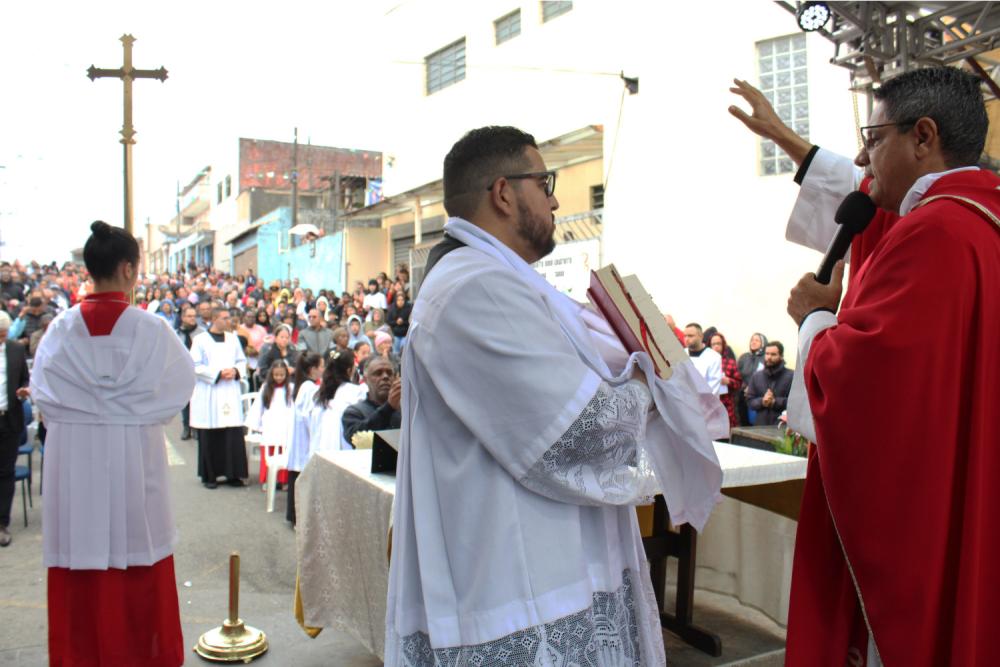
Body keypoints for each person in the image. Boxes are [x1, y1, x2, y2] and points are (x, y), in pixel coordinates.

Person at [383, 126, 725, 665]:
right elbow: (578, 433)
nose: (556, 201)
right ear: (503, 193)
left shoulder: (496, 279)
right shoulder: (476, 288)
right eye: (545, 184)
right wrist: (647, 375)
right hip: (520, 581)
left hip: (547, 561)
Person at [779, 67, 1000, 667]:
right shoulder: (982, 222)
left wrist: (813, 318)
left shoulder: (935, 232)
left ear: (922, 136)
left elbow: (867, 390)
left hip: (923, 518)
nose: (862, 156)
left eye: (873, 139)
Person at [31, 221, 195, 665]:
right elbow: (179, 389)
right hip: (133, 467)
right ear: (127, 269)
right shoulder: (152, 330)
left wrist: (89, 410)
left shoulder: (60, 332)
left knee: (81, 567)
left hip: (77, 472)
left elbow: (44, 397)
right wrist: (131, 411)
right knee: (140, 561)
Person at [189, 307, 249, 489]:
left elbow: (241, 360)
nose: (228, 321)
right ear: (214, 318)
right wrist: (217, 374)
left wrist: (236, 371)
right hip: (211, 391)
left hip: (229, 390)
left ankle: (233, 474)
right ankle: (210, 475)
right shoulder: (200, 340)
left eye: (229, 317)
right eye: (224, 318)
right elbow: (194, 365)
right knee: (211, 433)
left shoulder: (233, 339)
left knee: (232, 433)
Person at [0, 311, 30, 548]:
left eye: (3, 335)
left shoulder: (16, 350)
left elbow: (24, 380)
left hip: (8, 419)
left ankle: (2, 523)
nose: (1, 339)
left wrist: (23, 391)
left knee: (5, 472)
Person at [285, 353, 325, 526]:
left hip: (299, 438)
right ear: (312, 369)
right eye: (321, 366)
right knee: (302, 476)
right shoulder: (310, 388)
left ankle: (294, 516)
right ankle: (299, 518)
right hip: (305, 439)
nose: (323, 369)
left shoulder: (303, 386)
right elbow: (310, 416)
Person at [303, 350, 367, 457]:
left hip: (322, 448)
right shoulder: (355, 392)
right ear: (349, 370)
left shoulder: (319, 394)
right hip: (345, 450)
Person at [244, 360, 294, 489]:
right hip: (270, 424)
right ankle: (267, 479)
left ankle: (283, 480)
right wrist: (255, 424)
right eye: (276, 375)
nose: (279, 378)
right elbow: (258, 407)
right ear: (271, 374)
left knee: (284, 451)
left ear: (286, 374)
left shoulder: (290, 388)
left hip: (285, 425)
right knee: (268, 452)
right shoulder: (266, 388)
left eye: (281, 375)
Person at [341, 356, 401, 446]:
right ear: (365, 379)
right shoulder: (353, 412)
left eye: (389, 373)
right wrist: (388, 408)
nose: (385, 377)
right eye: (378, 373)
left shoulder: (405, 411)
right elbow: (356, 438)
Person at [744, 341, 792, 426]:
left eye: (773, 354)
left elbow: (795, 402)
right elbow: (750, 401)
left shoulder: (791, 376)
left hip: (782, 426)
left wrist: (775, 402)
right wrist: (762, 401)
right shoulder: (756, 376)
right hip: (760, 426)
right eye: (767, 354)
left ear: (781, 356)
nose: (769, 357)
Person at [176, 305, 204, 440]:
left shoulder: (202, 334)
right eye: (189, 316)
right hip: (183, 371)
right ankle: (186, 426)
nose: (192, 319)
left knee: (197, 400)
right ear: (183, 317)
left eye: (194, 316)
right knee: (185, 400)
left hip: (199, 372)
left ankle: (197, 427)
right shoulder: (177, 334)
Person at [710, 333, 741, 428]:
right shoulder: (705, 361)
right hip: (709, 403)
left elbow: (739, 383)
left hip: (726, 404)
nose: (716, 346)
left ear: (723, 345)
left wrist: (729, 381)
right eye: (713, 344)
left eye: (718, 344)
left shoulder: (730, 362)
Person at [684, 322, 723, 396]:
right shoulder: (681, 355)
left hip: (705, 401)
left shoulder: (714, 357)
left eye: (690, 336)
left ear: (701, 336)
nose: (686, 339)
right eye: (685, 336)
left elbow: (713, 387)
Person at [736, 333, 767, 426]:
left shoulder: (766, 358)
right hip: (743, 394)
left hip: (759, 396)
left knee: (755, 423)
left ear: (763, 343)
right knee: (743, 421)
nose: (753, 342)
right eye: (752, 340)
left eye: (757, 340)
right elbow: (738, 375)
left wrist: (752, 388)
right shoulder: (744, 357)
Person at [386, 290, 411, 355]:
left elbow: (411, 322)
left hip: (406, 334)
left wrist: (403, 322)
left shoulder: (409, 308)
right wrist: (396, 322)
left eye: (402, 300)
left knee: (404, 352)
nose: (400, 302)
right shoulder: (392, 308)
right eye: (398, 300)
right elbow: (388, 321)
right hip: (395, 334)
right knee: (396, 352)